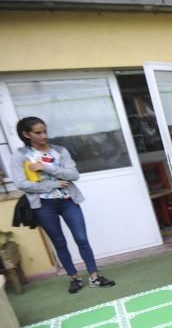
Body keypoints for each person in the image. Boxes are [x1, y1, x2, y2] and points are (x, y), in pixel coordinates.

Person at [10, 117, 116, 294]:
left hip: (68, 201)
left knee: (82, 239)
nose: (43, 135)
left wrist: (46, 167)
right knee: (59, 242)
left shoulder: (59, 151)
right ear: (26, 134)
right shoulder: (20, 155)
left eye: (45, 131)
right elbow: (21, 184)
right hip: (43, 205)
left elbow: (73, 175)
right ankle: (74, 278)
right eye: (38, 132)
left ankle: (94, 277)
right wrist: (52, 184)